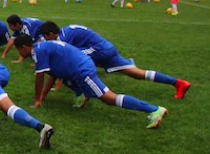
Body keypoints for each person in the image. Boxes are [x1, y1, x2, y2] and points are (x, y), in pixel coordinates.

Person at [13, 35, 168, 129]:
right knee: (62, 75)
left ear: (24, 47)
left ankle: (154, 110)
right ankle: (82, 96)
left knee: (108, 98)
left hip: (82, 70)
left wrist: (37, 99)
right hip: (78, 67)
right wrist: (41, 98)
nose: (19, 54)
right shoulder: (41, 48)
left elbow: (40, 78)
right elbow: (51, 75)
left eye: (19, 50)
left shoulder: (38, 51)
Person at [39, 22, 191, 100]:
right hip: (106, 48)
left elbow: (63, 64)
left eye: (46, 37)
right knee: (137, 74)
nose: (45, 41)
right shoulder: (66, 31)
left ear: (52, 34)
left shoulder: (63, 38)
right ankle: (178, 83)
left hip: (99, 51)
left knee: (72, 63)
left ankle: (85, 94)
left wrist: (57, 85)